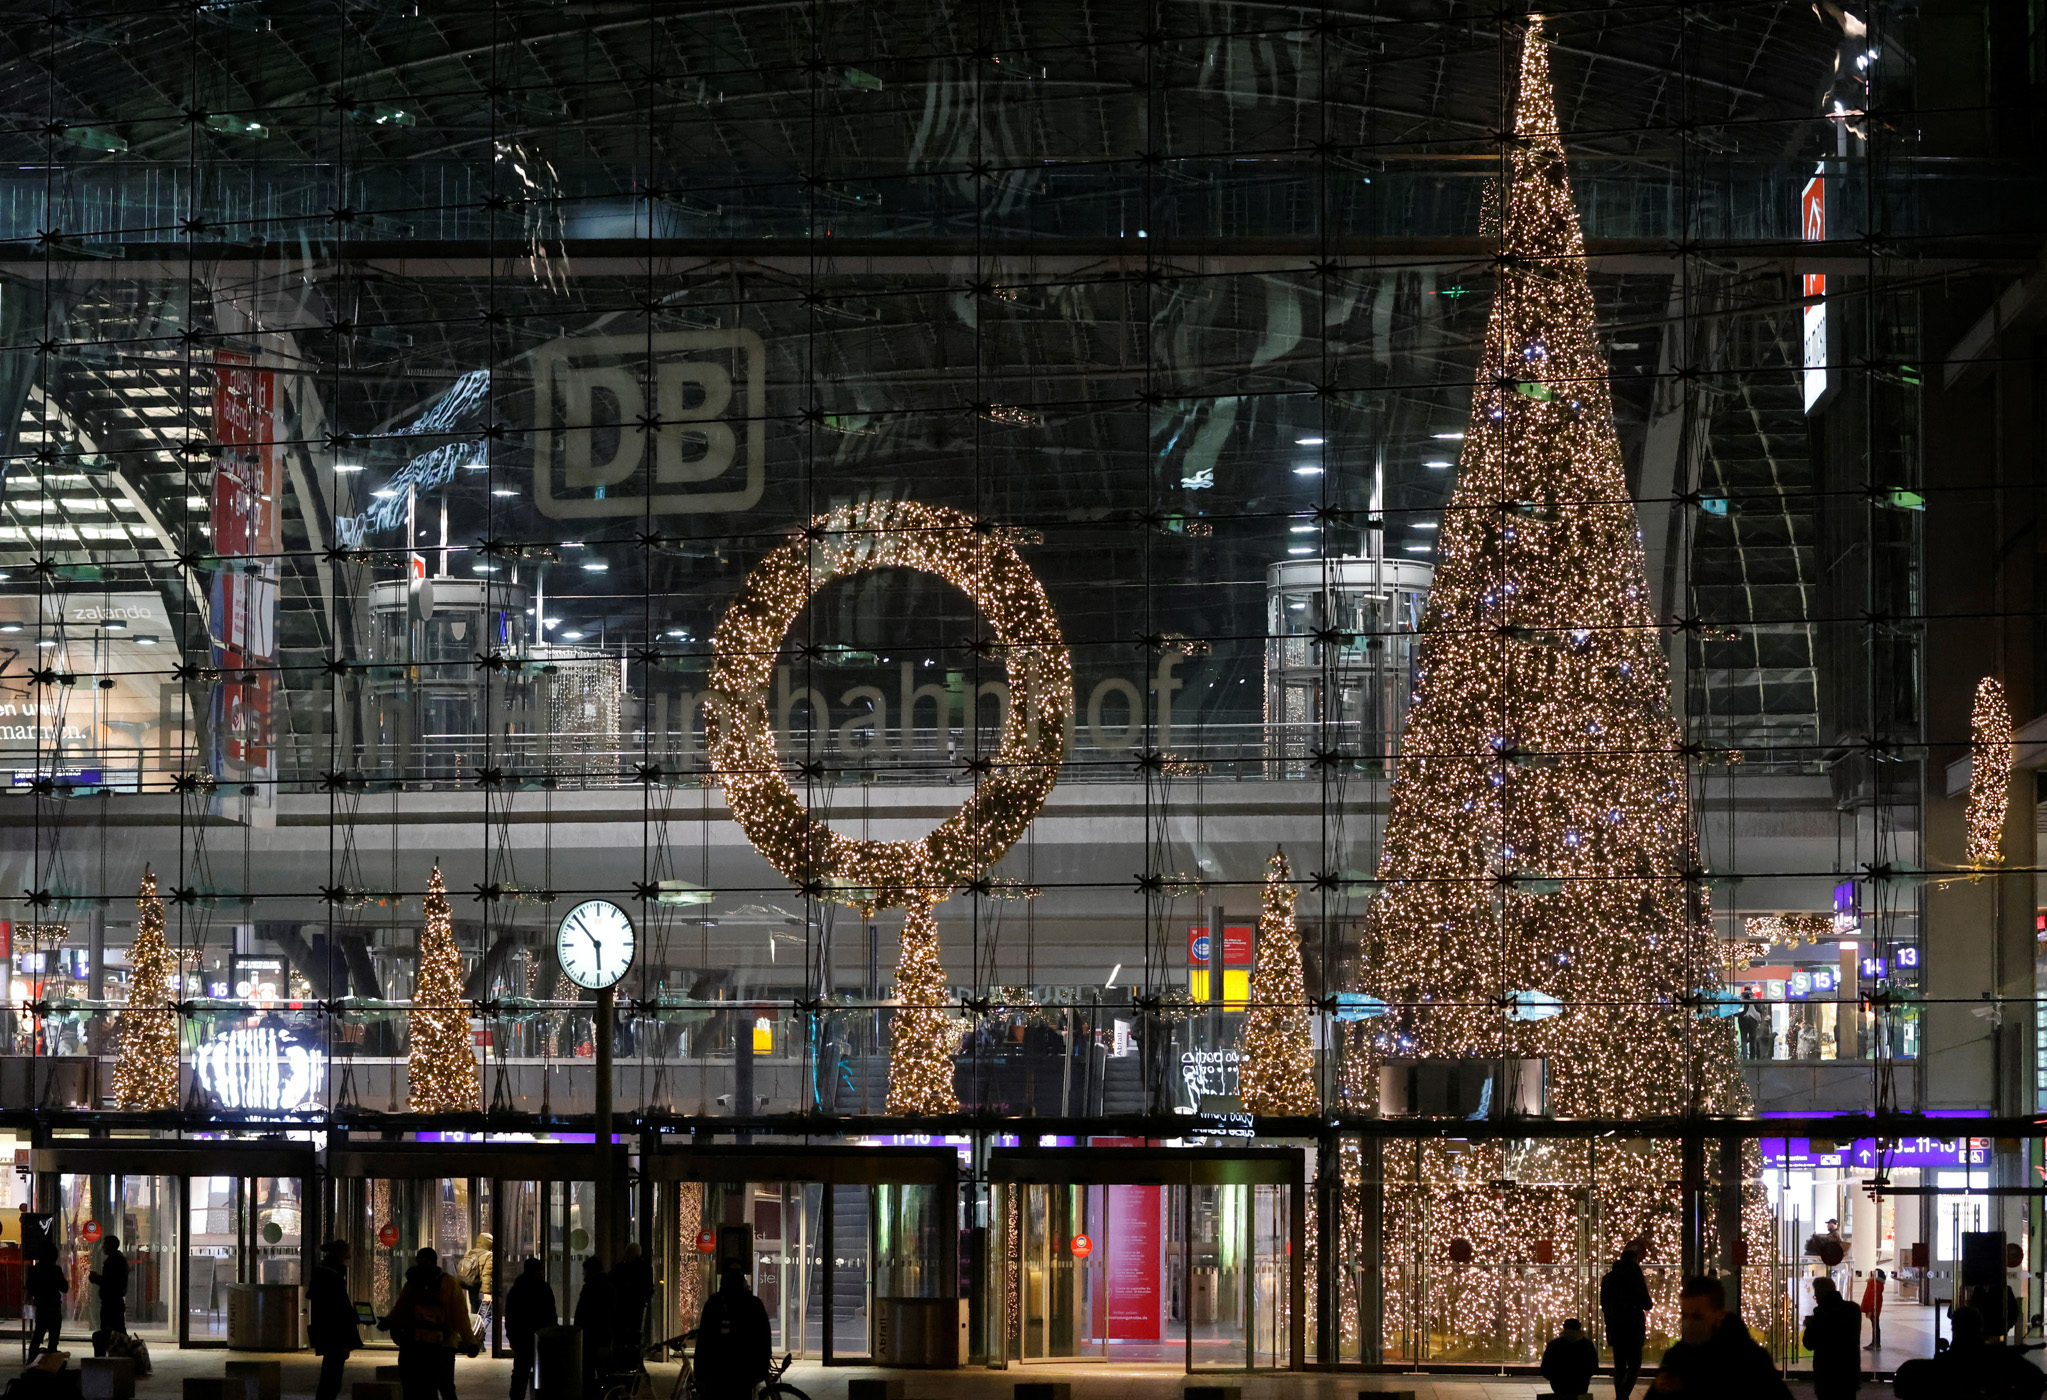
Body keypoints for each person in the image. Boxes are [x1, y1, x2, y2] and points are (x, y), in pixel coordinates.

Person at [1651, 1274, 1790, 1398]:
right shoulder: (1676, 1357)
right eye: (1684, 1315)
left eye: (1697, 1316)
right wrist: (1658, 1389)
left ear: (1719, 1314)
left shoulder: (1750, 1360)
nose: (1689, 1323)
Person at [385, 1246, 479, 1400]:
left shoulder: (412, 1283)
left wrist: (391, 1324)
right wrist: (470, 1342)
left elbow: (400, 1308)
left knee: (417, 1388)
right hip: (443, 1345)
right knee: (445, 1387)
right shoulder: (448, 1283)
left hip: (415, 1345)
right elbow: (460, 1315)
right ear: (436, 1262)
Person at [693, 1266, 771, 1400]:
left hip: (716, 1370)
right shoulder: (753, 1304)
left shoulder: (713, 1304)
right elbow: (763, 1339)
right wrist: (762, 1369)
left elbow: (704, 1341)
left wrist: (700, 1373)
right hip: (744, 1370)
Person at [309, 1240, 361, 1400]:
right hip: (335, 1335)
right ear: (342, 1254)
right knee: (332, 1377)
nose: (351, 1255)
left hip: (326, 1331)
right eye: (348, 1251)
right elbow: (339, 1310)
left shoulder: (322, 1274)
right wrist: (346, 1336)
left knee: (330, 1375)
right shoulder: (333, 1277)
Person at [1600, 1248, 1653, 1400]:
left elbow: (1604, 1303)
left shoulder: (1609, 1278)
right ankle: (1622, 1396)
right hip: (1633, 1326)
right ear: (1635, 1260)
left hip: (1614, 1326)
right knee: (1635, 1365)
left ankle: (1621, 1396)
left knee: (1620, 1365)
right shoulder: (1635, 1277)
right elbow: (1646, 1303)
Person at [502, 1257, 557, 1400]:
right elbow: (551, 1314)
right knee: (545, 1374)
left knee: (520, 1374)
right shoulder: (544, 1288)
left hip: (522, 1338)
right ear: (538, 1271)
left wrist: (511, 1336)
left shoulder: (516, 1289)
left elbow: (510, 1315)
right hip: (541, 1337)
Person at [1801, 1275, 1863, 1400]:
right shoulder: (1853, 1309)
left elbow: (1809, 1343)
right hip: (1849, 1371)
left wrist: (1809, 1324)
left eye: (1816, 1295)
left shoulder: (1820, 1314)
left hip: (1826, 1373)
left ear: (1819, 1293)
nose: (1816, 1299)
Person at [573, 1257, 614, 1397]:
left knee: (588, 1372)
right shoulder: (608, 1284)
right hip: (604, 1336)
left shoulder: (591, 1286)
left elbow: (584, 1313)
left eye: (584, 1270)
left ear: (590, 1270)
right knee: (603, 1372)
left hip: (591, 1336)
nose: (582, 1273)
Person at [610, 1242, 654, 1359]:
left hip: (623, 1308)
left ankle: (622, 1359)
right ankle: (634, 1358)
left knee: (622, 1336)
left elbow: (612, 1279)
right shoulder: (645, 1268)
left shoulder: (621, 1269)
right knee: (635, 1335)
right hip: (637, 1308)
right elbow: (649, 1289)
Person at [1540, 1318, 1598, 1398]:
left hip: (1559, 1383)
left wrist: (1553, 1376)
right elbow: (1593, 1366)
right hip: (1581, 1383)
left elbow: (1546, 1366)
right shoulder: (1587, 1345)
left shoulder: (1554, 1345)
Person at [24, 1248, 66, 1356]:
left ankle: (31, 1361)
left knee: (38, 1335)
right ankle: (50, 1363)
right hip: (53, 1305)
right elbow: (64, 1288)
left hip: (41, 1305)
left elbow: (30, 1288)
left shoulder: (33, 1270)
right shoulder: (56, 1270)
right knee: (53, 1337)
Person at [89, 1233, 128, 1346]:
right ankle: (123, 1352)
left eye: (105, 1244)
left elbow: (110, 1282)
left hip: (111, 1302)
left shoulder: (114, 1261)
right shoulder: (118, 1259)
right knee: (118, 1329)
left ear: (111, 1245)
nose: (103, 1247)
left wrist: (96, 1278)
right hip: (114, 1301)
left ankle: (119, 1353)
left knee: (111, 1330)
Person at [457, 1233, 494, 1318]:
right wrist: (487, 1293)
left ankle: (475, 1331)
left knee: (476, 1315)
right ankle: (479, 1331)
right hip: (482, 1289)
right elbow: (486, 1275)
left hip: (471, 1287)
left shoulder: (469, 1253)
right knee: (485, 1316)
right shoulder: (489, 1255)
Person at [1859, 1267, 1886, 1350]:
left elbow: (1873, 1297)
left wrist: (1870, 1309)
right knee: (1875, 1325)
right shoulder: (1874, 1283)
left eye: (1874, 1272)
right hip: (1873, 1306)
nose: (1872, 1272)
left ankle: (1876, 1343)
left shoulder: (1875, 1283)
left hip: (1874, 1307)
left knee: (1875, 1325)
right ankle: (1875, 1342)